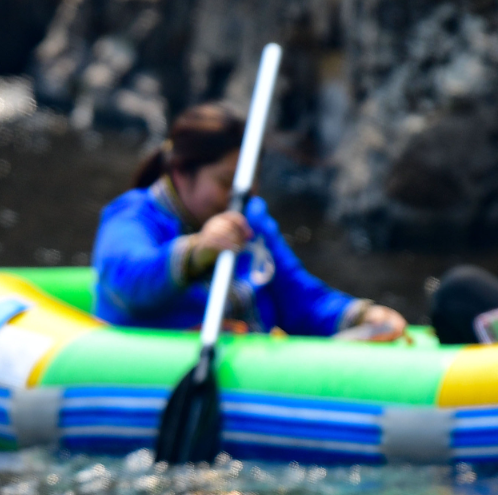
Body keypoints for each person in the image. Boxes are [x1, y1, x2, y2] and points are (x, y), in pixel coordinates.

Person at [94, 103, 408, 341]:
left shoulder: (250, 216)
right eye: (225, 182)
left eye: (249, 180)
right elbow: (127, 281)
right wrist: (196, 250)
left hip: (252, 357)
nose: (238, 196)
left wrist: (359, 315)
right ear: (180, 173)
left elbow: (296, 297)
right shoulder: (133, 215)